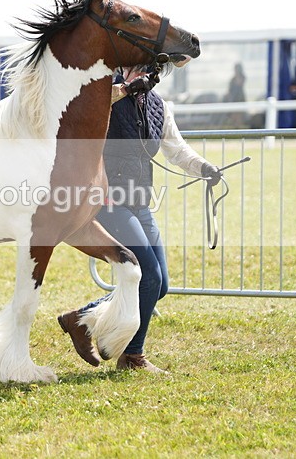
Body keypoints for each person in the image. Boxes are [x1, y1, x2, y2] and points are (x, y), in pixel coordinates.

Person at [57, 67, 222, 373]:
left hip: (140, 202)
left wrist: (204, 168)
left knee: (159, 285)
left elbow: (177, 150)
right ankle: (132, 356)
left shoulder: (158, 106)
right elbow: (81, 110)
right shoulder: (104, 93)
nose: (144, 71)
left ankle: (82, 318)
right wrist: (123, 91)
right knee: (149, 276)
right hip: (109, 201)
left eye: (150, 67)